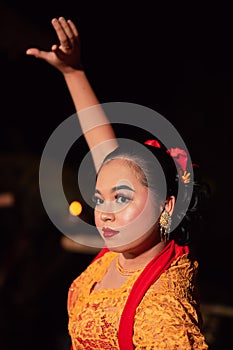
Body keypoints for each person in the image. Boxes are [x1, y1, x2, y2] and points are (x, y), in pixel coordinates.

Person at [26, 17, 209, 349]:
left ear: (166, 205)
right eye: (101, 198)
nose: (105, 213)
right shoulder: (127, 250)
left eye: (122, 198)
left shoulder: (162, 310)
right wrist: (73, 72)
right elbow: (102, 146)